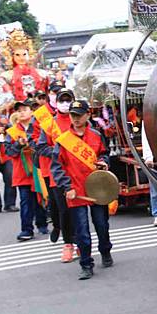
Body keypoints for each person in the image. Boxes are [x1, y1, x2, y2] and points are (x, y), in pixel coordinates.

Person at [52, 100, 113, 280]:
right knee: (82, 230)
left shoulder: (95, 135)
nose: (76, 119)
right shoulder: (63, 141)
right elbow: (57, 167)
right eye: (73, 115)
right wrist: (67, 186)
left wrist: (104, 162)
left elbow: (105, 153)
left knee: (102, 224)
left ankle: (105, 250)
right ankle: (86, 263)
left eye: (79, 115)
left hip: (97, 188)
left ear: (87, 115)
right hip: (76, 190)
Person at [35, 87, 77, 262]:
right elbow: (41, 147)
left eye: (69, 100)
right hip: (58, 174)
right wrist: (58, 152)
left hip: (78, 173)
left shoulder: (80, 120)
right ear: (56, 102)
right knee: (64, 211)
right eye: (63, 100)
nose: (65, 104)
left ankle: (81, 242)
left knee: (79, 211)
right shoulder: (50, 124)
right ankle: (68, 244)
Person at [5, 99, 48, 240]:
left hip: (39, 170)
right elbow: (9, 152)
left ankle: (42, 224)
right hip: (22, 172)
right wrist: (18, 144)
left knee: (40, 197)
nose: (21, 113)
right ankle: (26, 229)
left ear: (32, 111)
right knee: (25, 201)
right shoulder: (11, 132)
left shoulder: (40, 128)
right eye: (19, 110)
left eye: (25, 109)